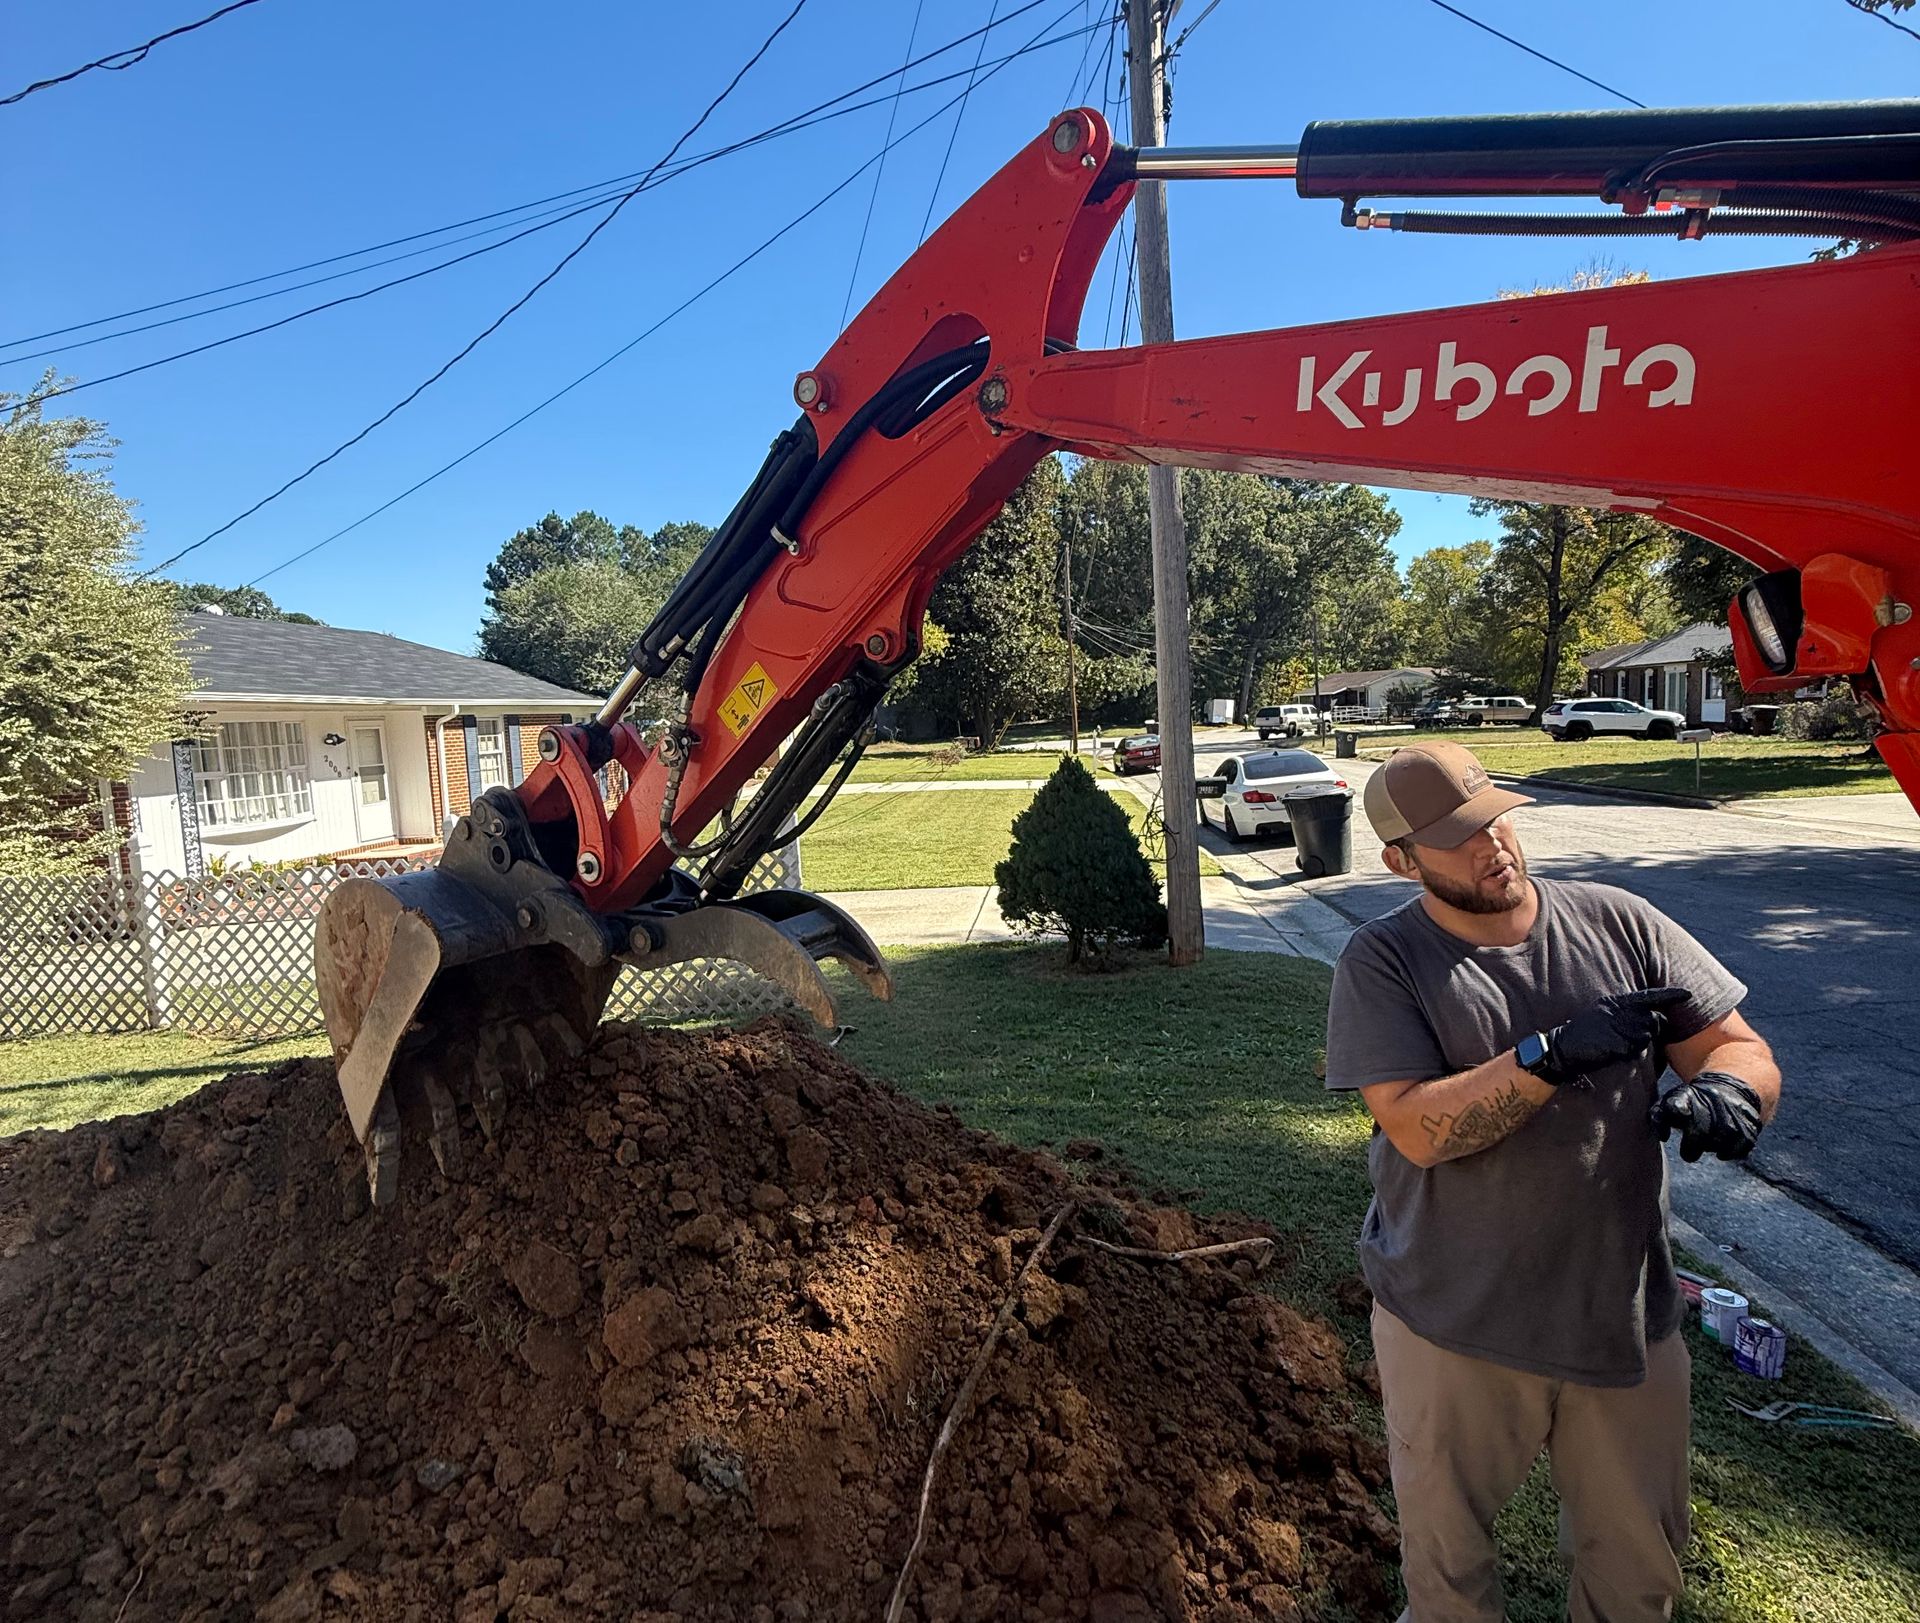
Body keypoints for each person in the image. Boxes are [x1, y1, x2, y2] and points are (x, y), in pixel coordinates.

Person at [1324, 740, 1780, 1623]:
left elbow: (1739, 1044)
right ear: (1400, 860)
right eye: (1459, 836)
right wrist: (1549, 1056)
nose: (1492, 844)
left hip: (1622, 1319)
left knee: (1638, 1573)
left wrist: (1733, 1092)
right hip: (1450, 1323)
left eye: (1494, 817)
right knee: (1449, 1574)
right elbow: (1416, 1127)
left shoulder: (1623, 923)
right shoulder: (1383, 963)